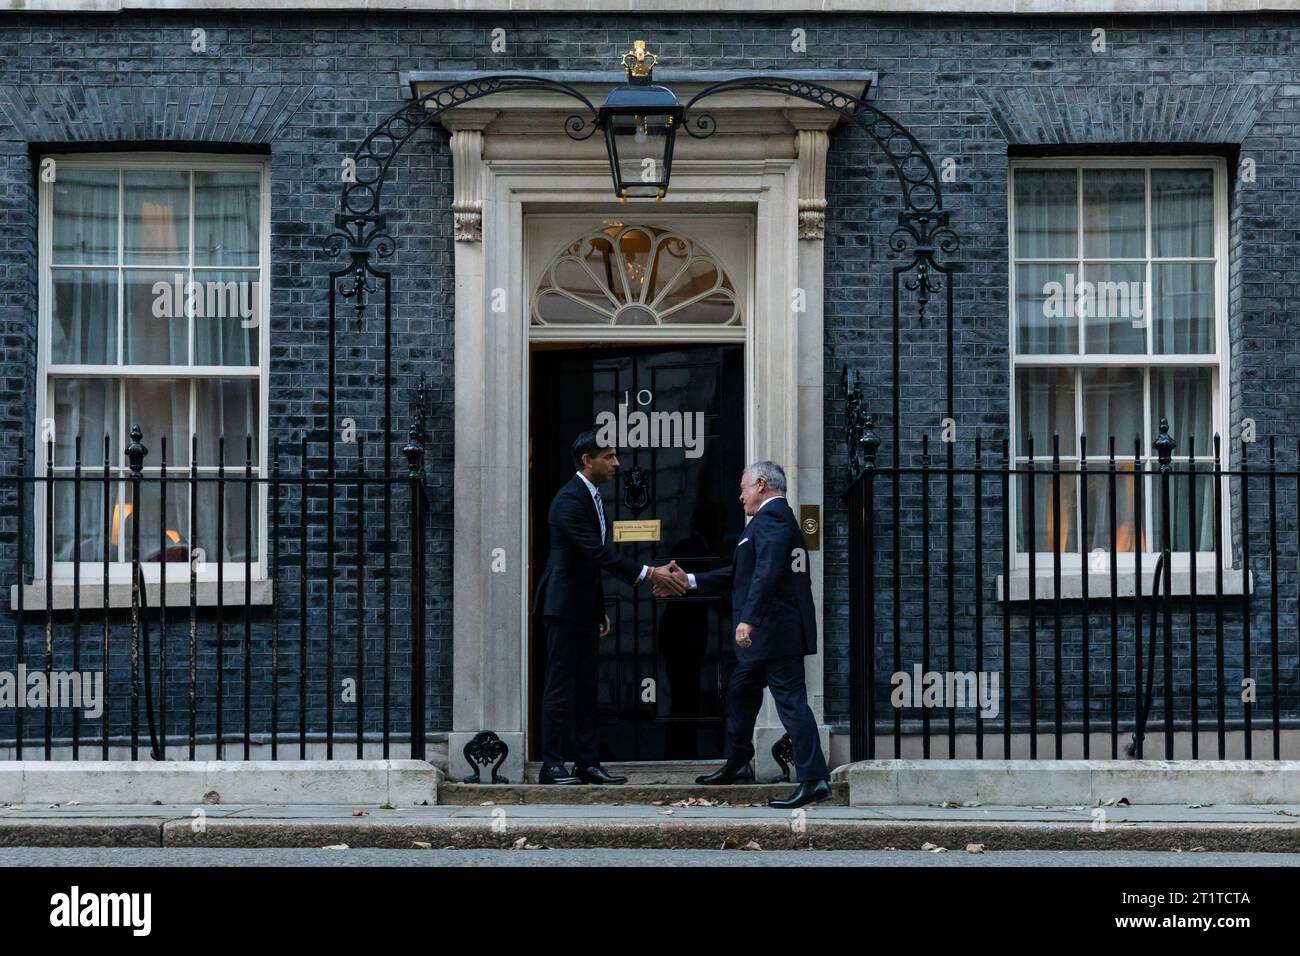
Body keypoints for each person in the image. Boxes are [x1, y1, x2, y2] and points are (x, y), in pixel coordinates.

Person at [655, 460, 830, 809]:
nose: (740, 496)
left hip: (776, 633)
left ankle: (814, 779)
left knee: (791, 704)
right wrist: (688, 581)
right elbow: (739, 574)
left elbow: (767, 572)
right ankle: (738, 762)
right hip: (771, 634)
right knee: (740, 692)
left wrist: (749, 619)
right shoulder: (765, 522)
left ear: (761, 484)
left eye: (743, 488)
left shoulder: (774, 517)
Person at [533, 430, 685, 784]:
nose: (617, 463)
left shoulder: (593, 497)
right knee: (560, 685)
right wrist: (650, 574)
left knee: (587, 686)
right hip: (562, 606)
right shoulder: (568, 501)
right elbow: (596, 554)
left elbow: (588, 564)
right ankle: (551, 764)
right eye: (610, 456)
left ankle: (587, 763)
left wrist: (598, 607)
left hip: (582, 606)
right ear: (588, 459)